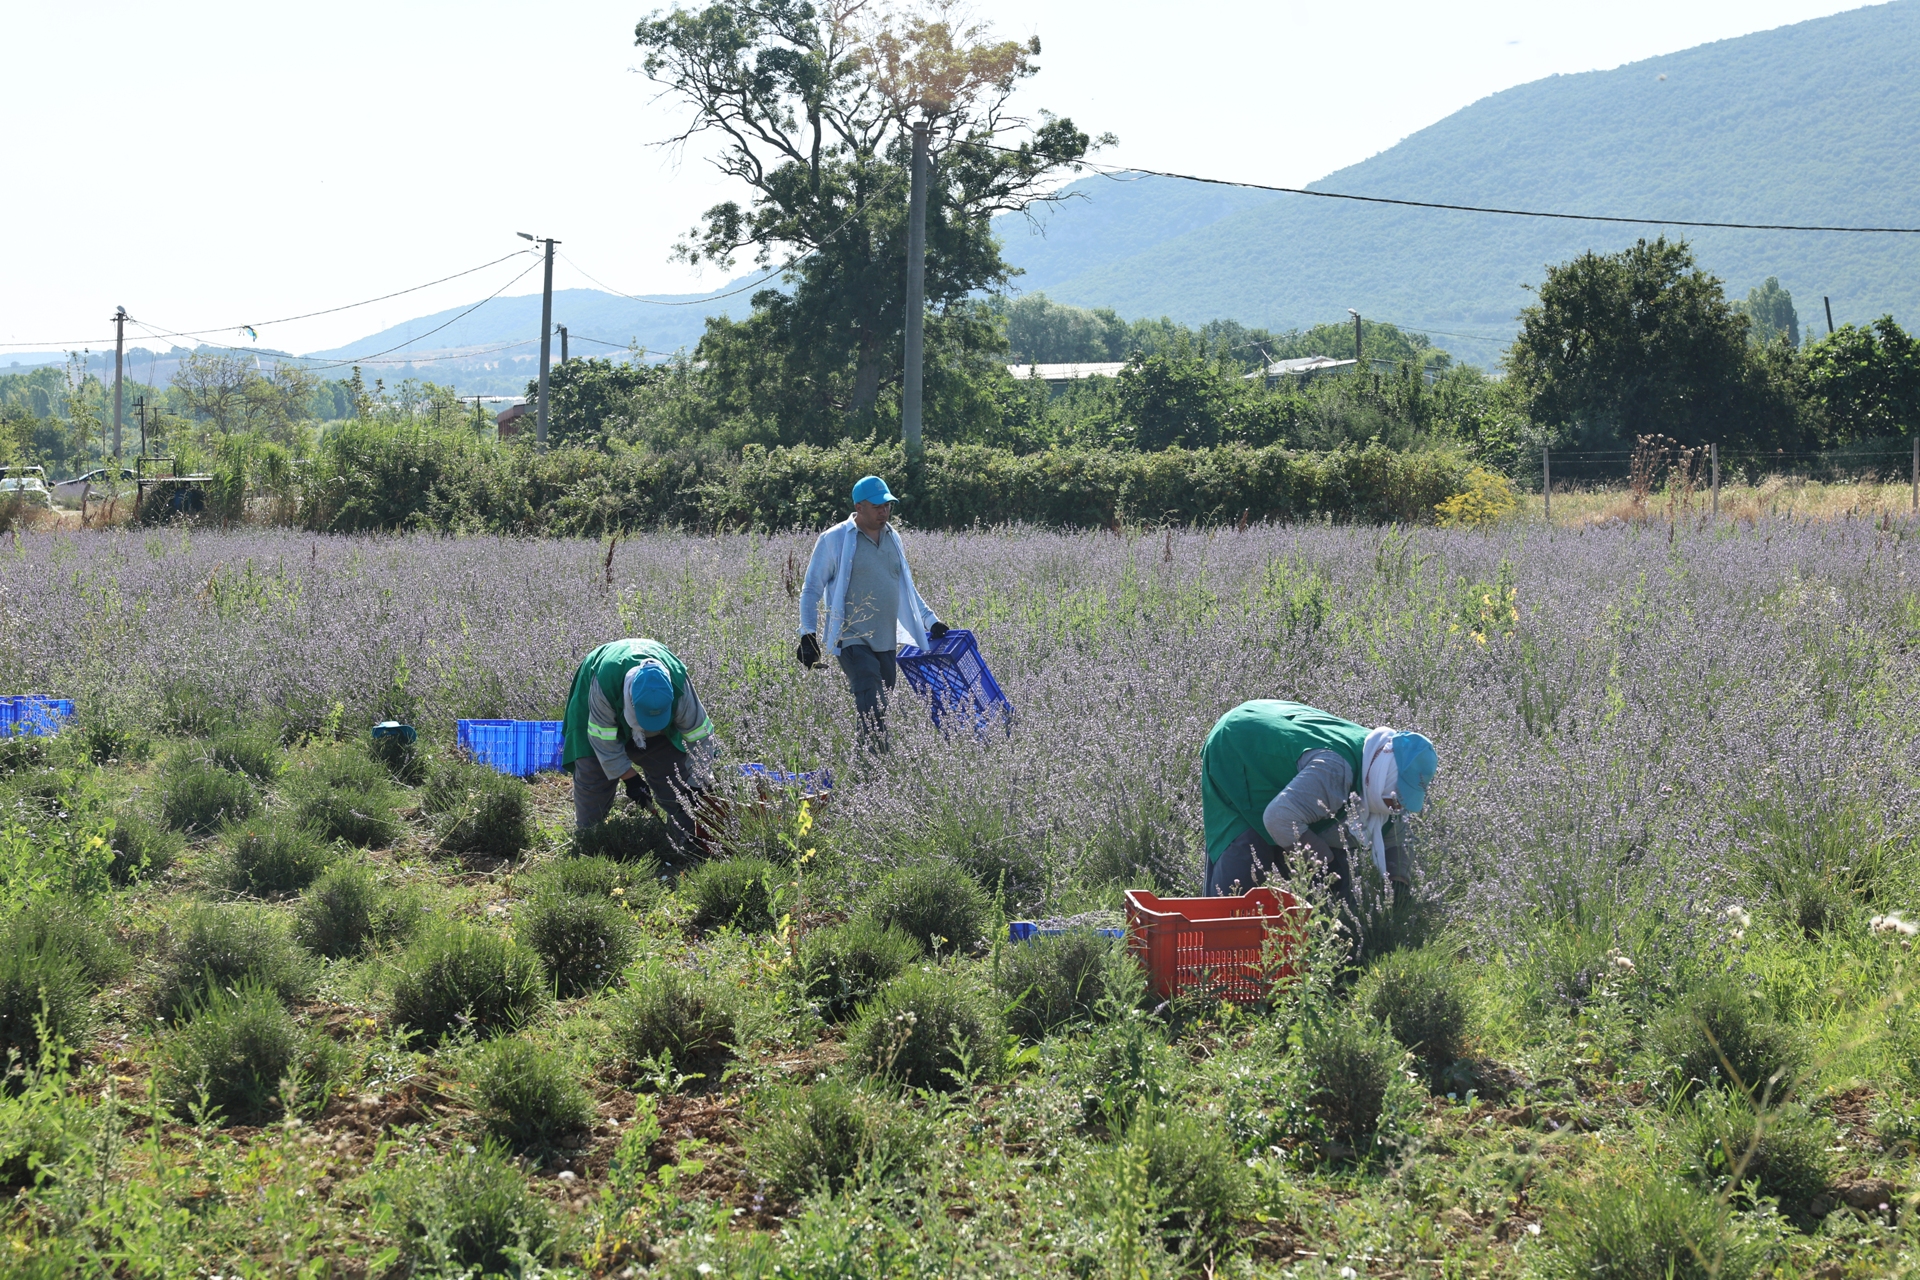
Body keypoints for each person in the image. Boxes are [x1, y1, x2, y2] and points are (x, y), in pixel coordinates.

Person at [1200, 700, 1438, 899]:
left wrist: (1399, 883)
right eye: (1399, 796)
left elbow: (1396, 837)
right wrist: (1325, 864)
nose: (1399, 806)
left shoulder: (1379, 769)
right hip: (1240, 743)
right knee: (1246, 857)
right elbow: (1279, 818)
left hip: (1280, 742)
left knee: (1338, 865)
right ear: (1387, 777)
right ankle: (1213, 944)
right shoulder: (1336, 772)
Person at [795, 474, 947, 745]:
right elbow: (811, 589)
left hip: (885, 639)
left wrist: (930, 621)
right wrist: (808, 634)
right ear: (859, 507)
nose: (884, 511)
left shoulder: (893, 538)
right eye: (877, 506)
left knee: (880, 701)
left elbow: (905, 587)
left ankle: (865, 761)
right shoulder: (835, 539)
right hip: (850, 636)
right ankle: (875, 762)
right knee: (870, 690)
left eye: (887, 505)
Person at [562, 638, 716, 844]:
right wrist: (631, 779)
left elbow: (702, 739)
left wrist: (697, 786)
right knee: (593, 775)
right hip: (597, 701)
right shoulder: (604, 683)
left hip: (656, 713)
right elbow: (603, 742)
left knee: (677, 780)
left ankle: (686, 844)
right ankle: (588, 841)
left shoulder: (680, 687)